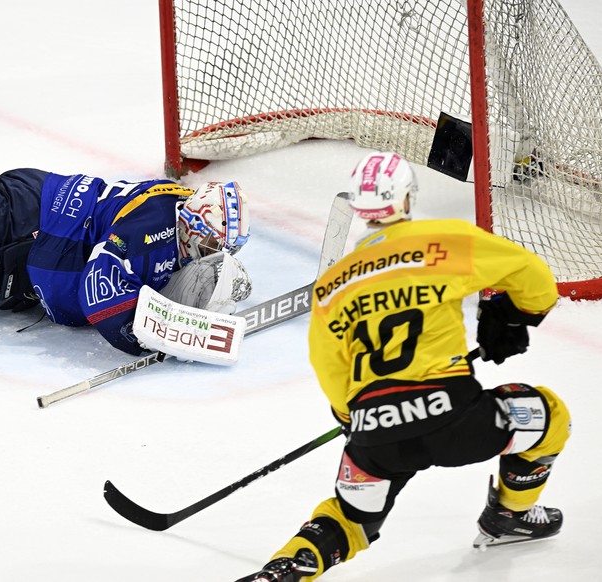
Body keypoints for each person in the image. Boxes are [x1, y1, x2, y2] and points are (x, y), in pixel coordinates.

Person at [236, 152, 570, 582]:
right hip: (457, 422)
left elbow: (328, 366)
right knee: (550, 416)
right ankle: (512, 515)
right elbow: (532, 275)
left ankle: (281, 572)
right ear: (408, 199)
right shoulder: (443, 242)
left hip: (377, 436)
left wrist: (353, 418)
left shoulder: (331, 286)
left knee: (349, 520)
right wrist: (510, 314)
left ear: (359, 207)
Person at [0, 4, 253, 356]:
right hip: (26, 216)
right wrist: (144, 339)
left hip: (31, 256)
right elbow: (103, 290)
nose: (209, 254)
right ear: (190, 221)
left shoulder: (180, 234)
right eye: (207, 243)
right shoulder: (156, 223)